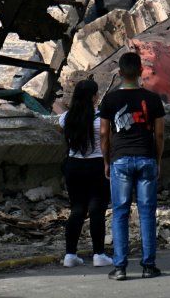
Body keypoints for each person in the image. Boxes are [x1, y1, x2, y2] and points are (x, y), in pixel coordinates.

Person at [99, 52, 165, 281]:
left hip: (120, 160)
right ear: (140, 72)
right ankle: (148, 266)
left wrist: (106, 160)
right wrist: (157, 160)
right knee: (147, 213)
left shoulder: (109, 100)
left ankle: (120, 268)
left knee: (120, 213)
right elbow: (159, 134)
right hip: (146, 158)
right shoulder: (153, 99)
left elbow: (104, 134)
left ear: (119, 73)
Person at [58, 79, 113, 268]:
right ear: (93, 97)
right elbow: (107, 140)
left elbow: (63, 134)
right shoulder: (101, 119)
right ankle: (99, 254)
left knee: (77, 209)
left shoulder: (66, 118)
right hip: (97, 165)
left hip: (74, 165)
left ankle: (70, 254)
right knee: (97, 209)